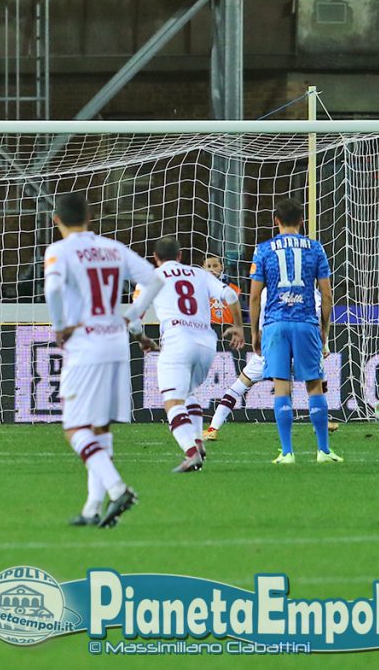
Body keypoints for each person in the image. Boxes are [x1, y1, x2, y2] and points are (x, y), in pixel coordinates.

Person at [43, 193, 163, 529]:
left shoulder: (59, 250)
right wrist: (131, 316)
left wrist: (60, 326)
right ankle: (93, 508)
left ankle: (118, 489)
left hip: (86, 346)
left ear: (56, 220)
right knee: (100, 427)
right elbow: (155, 280)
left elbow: (53, 290)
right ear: (90, 218)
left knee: (74, 428)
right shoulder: (113, 248)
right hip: (116, 344)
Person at [134, 238, 243, 472]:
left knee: (173, 402)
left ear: (155, 258)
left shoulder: (151, 277)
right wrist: (238, 326)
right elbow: (231, 296)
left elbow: (134, 319)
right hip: (207, 343)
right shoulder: (200, 274)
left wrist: (143, 339)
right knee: (189, 393)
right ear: (180, 255)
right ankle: (198, 442)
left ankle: (191, 453)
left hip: (177, 340)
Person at [249, 198, 341, 464]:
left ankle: (287, 452)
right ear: (302, 220)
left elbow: (254, 297)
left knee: (282, 386)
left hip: (275, 324)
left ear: (276, 220)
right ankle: (323, 451)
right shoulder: (316, 248)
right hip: (305, 322)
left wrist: (254, 332)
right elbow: (326, 294)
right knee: (314, 385)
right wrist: (324, 330)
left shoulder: (263, 250)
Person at [204, 284, 339, 440]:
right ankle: (320, 422)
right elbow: (319, 320)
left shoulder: (269, 290)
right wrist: (323, 345)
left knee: (238, 388)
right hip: (300, 347)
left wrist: (257, 337)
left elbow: (260, 314)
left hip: (273, 347)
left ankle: (213, 428)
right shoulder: (311, 292)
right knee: (317, 381)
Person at [202, 255, 241, 325]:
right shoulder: (198, 289)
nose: (211, 269)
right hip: (206, 328)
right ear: (203, 268)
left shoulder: (234, 289)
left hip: (229, 328)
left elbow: (244, 315)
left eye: (215, 266)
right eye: (208, 266)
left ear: (221, 267)